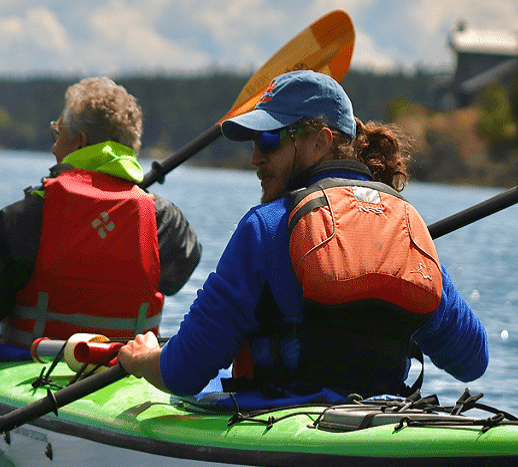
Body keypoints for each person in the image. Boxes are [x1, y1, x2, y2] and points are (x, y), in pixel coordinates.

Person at [118, 70, 487, 400]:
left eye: (268, 140)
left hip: (280, 426)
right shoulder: (405, 228)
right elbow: (472, 361)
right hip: (382, 423)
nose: (255, 159)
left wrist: (143, 359)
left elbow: (183, 373)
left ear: (320, 142)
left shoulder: (264, 226)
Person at [0, 76, 202, 374]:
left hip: (33, 375)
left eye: (57, 133)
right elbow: (174, 277)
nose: (53, 146)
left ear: (79, 142)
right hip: (123, 378)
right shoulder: (165, 221)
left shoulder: (29, 218)